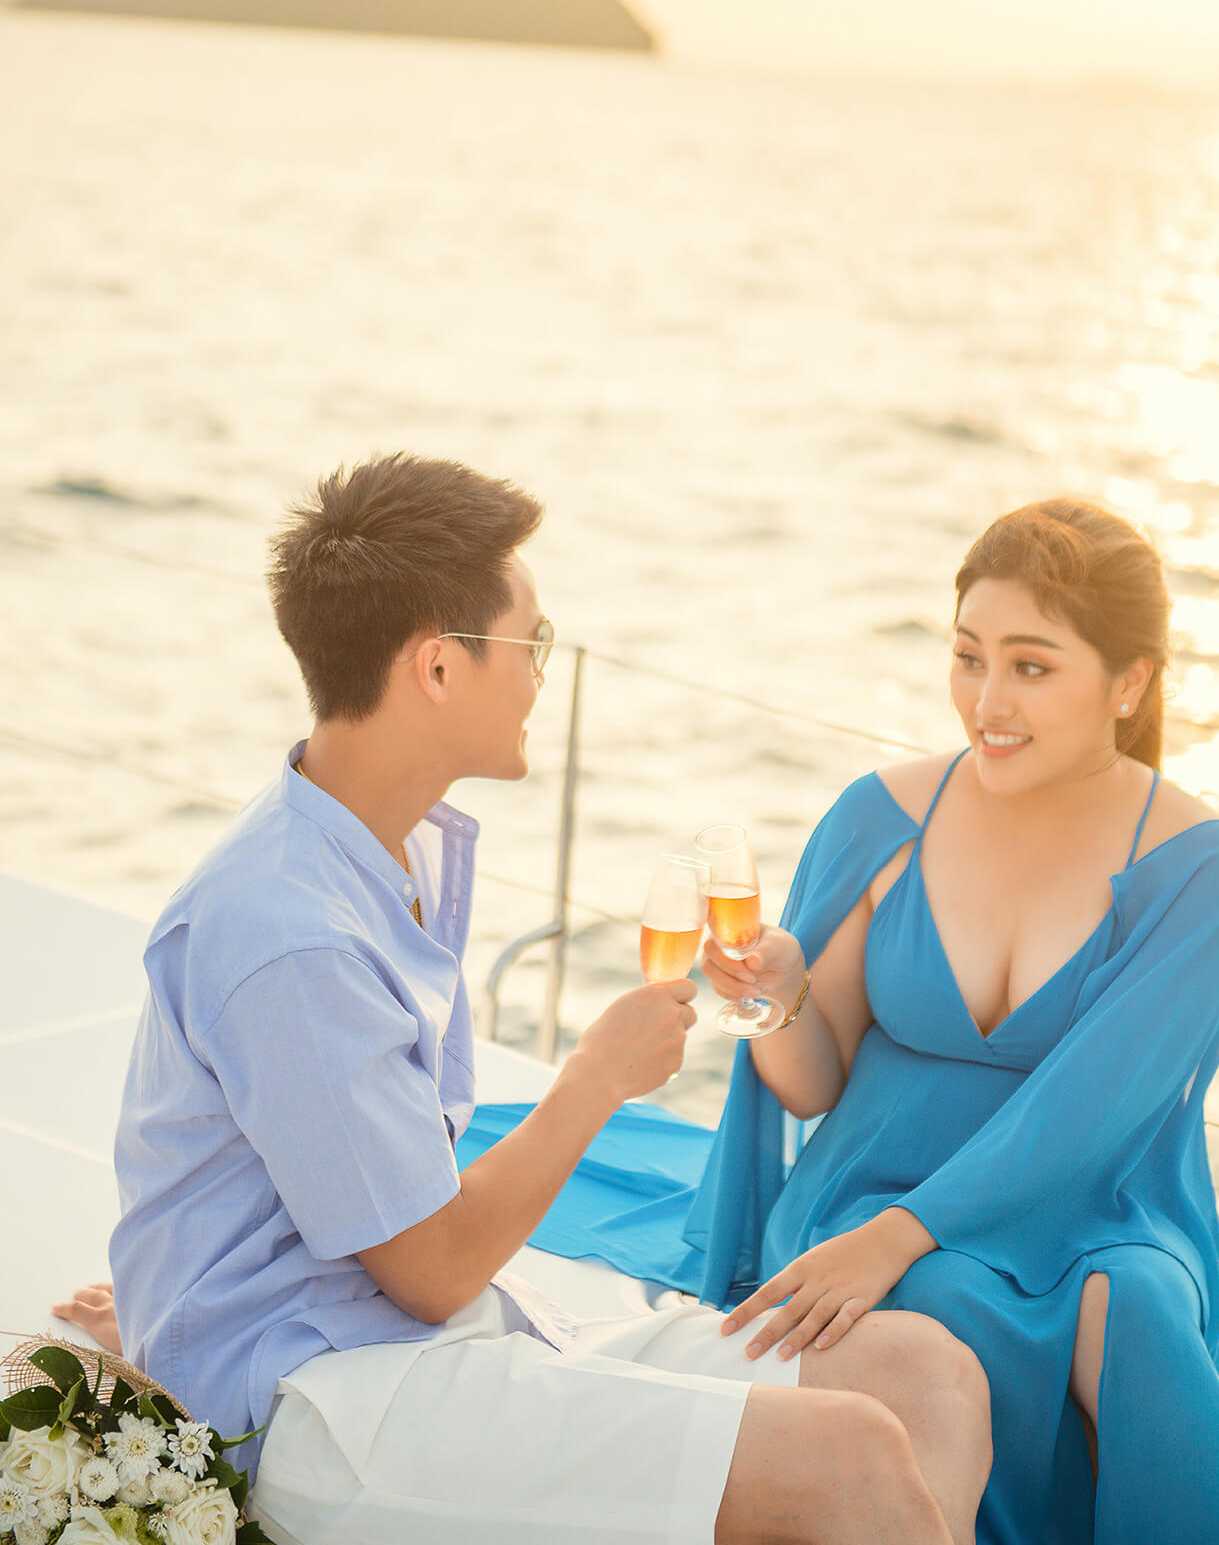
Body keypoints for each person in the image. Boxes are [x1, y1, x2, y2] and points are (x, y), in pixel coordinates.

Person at [73, 453, 990, 1545]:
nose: (542, 671)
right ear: (436, 667)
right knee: (847, 1454)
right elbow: (431, 1267)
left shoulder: (386, 846)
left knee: (921, 1372)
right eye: (528, 641)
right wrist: (592, 1079)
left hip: (433, 1343)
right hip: (326, 1401)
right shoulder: (287, 927)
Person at [674, 498, 1219, 1545]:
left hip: (1099, 1195)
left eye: (1030, 665)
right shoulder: (880, 815)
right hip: (871, 1183)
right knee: (949, 1296)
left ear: (1128, 682)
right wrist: (778, 993)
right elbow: (809, 1084)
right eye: (967, 656)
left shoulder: (1201, 866)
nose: (985, 700)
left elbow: (1092, 1107)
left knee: (1141, 1309)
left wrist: (894, 1241)